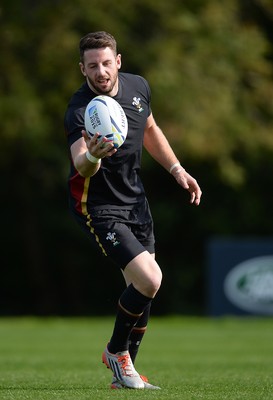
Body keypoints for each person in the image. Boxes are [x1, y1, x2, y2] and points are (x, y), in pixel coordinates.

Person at [64, 31, 202, 390]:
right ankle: (115, 351)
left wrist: (176, 169)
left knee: (143, 288)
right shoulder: (80, 109)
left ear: (118, 62)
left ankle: (124, 376)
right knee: (151, 279)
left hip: (135, 201)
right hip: (98, 206)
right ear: (83, 69)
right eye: (92, 66)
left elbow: (151, 129)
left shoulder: (138, 87)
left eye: (106, 63)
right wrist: (94, 154)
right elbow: (81, 163)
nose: (101, 71)